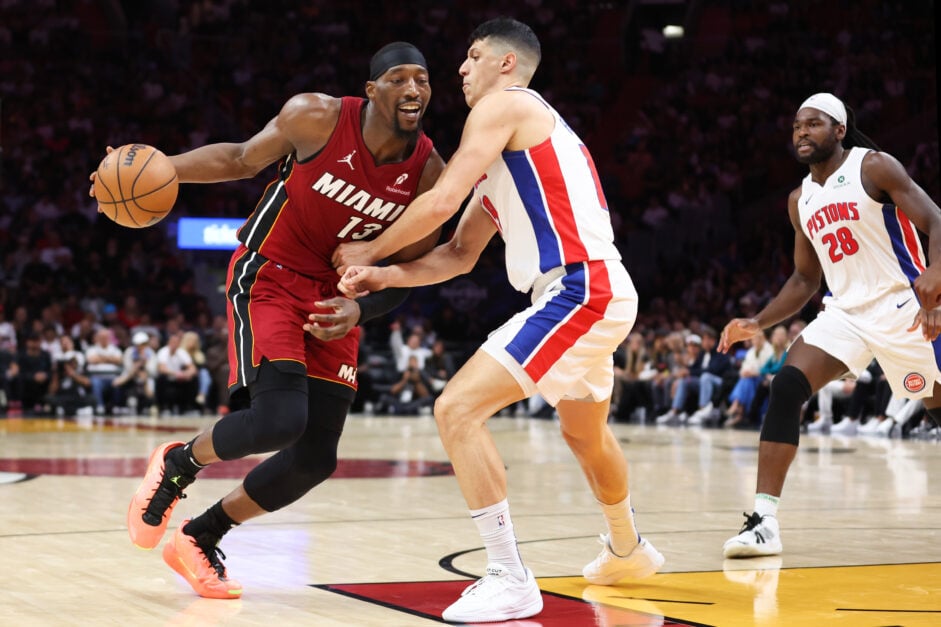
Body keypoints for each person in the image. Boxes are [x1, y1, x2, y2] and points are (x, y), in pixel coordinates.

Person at [333, 18, 663, 623]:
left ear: (506, 64)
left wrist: (369, 250)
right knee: (584, 435)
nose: (461, 68)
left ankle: (510, 576)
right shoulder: (511, 158)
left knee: (456, 409)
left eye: (473, 55)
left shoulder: (505, 106)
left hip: (578, 288)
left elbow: (438, 201)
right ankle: (627, 549)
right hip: (592, 290)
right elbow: (456, 256)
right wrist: (386, 277)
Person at [91, 42, 444, 598]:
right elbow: (239, 159)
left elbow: (408, 270)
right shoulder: (316, 116)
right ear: (371, 90)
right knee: (280, 418)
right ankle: (177, 463)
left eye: (422, 80)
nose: (413, 89)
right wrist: (157, 170)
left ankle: (200, 537)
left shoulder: (428, 173)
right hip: (271, 274)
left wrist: (359, 307)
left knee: (314, 458)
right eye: (399, 78)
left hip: (335, 302)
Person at [718, 92, 941, 559]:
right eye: (797, 125)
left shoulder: (873, 166)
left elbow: (935, 220)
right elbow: (805, 279)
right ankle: (763, 523)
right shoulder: (800, 199)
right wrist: (757, 321)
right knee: (786, 385)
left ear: (839, 130)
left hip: (902, 305)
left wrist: (935, 274)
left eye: (814, 124)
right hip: (845, 313)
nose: (802, 132)